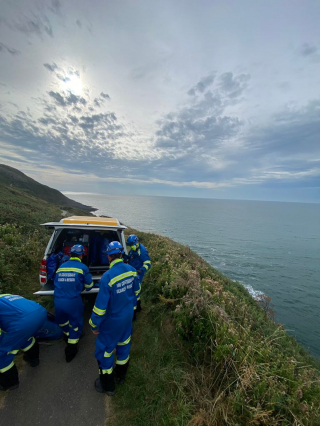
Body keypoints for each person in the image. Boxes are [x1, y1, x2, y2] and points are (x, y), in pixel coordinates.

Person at [89, 241, 140, 395]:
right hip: (127, 316)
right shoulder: (132, 271)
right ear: (121, 254)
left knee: (105, 350)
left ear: (109, 256)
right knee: (124, 344)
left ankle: (108, 386)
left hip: (112, 321)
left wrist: (93, 325)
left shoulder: (107, 277)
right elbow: (136, 292)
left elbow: (100, 308)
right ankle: (121, 375)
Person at [54, 244, 93, 362]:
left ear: (70, 254)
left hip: (58, 300)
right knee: (75, 325)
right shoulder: (83, 268)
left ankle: (66, 335)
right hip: (73, 301)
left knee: (63, 321)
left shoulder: (61, 267)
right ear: (81, 255)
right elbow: (89, 286)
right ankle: (71, 349)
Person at [0, 294, 47, 391]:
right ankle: (34, 360)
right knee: (25, 338)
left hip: (23, 322)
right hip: (40, 312)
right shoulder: (4, 296)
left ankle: (10, 383)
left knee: (2, 355)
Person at [125, 234, 151, 312]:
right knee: (135, 290)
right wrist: (125, 256)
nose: (130, 247)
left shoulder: (142, 251)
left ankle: (136, 308)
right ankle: (138, 305)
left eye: (131, 245)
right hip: (133, 272)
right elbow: (131, 258)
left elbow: (147, 263)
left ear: (136, 242)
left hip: (138, 274)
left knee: (136, 290)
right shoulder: (133, 250)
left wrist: (141, 270)